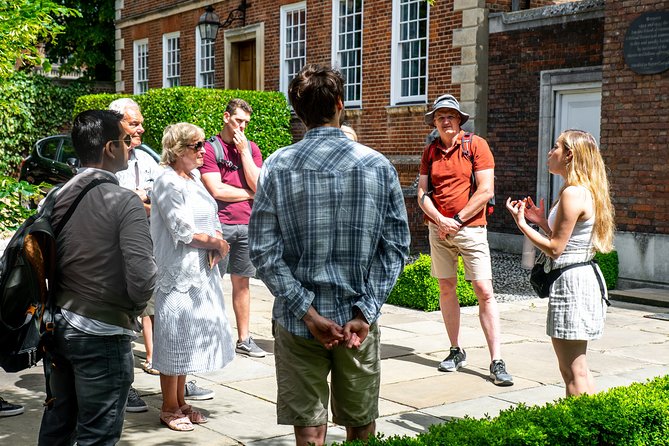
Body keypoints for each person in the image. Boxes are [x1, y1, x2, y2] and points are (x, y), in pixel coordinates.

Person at [249, 64, 410, 446]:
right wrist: (364, 312)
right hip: (357, 321)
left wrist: (307, 311)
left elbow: (263, 250)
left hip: (297, 320)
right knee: (361, 426)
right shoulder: (378, 165)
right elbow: (396, 248)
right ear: (340, 104)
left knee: (308, 431)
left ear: (298, 112)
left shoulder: (277, 164)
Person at [38, 110, 156, 445]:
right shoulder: (125, 202)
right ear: (109, 148)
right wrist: (132, 309)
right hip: (103, 333)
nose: (130, 145)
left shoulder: (55, 197)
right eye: (125, 140)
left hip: (57, 326)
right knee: (98, 435)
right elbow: (143, 276)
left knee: (58, 425)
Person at [506, 129, 614, 397]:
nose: (549, 152)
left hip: (573, 284)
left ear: (570, 155)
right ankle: (588, 424)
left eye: (555, 147)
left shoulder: (572, 194)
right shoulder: (581, 190)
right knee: (577, 369)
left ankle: (580, 430)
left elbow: (555, 249)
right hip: (580, 279)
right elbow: (566, 239)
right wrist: (542, 222)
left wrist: (521, 225)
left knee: (572, 371)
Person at [417, 94, 513, 386]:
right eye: (440, 116)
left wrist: (457, 220)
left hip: (470, 229)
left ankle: (497, 360)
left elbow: (485, 190)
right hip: (439, 229)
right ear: (434, 121)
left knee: (484, 290)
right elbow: (422, 193)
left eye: (450, 116)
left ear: (459, 120)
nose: (445, 121)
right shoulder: (430, 151)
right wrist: (440, 220)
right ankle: (455, 350)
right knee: (447, 288)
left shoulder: (476, 145)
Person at [151, 123, 235, 431]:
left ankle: (182, 402)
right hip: (177, 271)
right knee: (173, 337)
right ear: (177, 150)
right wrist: (218, 243)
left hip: (202, 271)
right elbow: (182, 230)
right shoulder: (167, 181)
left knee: (187, 338)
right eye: (196, 146)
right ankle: (168, 406)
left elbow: (211, 214)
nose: (203, 150)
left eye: (203, 144)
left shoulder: (195, 178)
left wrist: (215, 236)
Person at [200, 98, 267, 358]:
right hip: (220, 226)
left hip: (247, 225)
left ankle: (244, 338)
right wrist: (249, 194)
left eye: (246, 123)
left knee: (243, 283)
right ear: (226, 117)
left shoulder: (251, 148)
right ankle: (211, 337)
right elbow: (216, 189)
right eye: (239, 121)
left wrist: (245, 154)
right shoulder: (209, 149)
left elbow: (258, 185)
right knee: (212, 283)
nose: (242, 127)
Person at [109, 98, 162, 416]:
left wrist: (143, 199)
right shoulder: (110, 160)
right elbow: (119, 205)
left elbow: (161, 201)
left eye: (141, 122)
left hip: (147, 249)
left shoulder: (145, 159)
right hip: (117, 256)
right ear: (118, 124)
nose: (141, 127)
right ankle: (123, 387)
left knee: (152, 311)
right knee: (122, 325)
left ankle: (172, 376)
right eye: (134, 123)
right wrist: (140, 200)